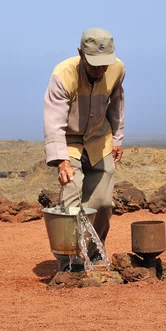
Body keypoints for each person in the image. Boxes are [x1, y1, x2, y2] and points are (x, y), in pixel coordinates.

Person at [43, 27, 125, 271]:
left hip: (99, 138)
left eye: (104, 64)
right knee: (71, 198)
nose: (100, 70)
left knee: (102, 201)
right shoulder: (63, 75)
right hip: (68, 141)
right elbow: (53, 122)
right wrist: (61, 161)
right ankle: (69, 261)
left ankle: (94, 253)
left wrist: (118, 138)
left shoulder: (117, 69)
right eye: (94, 64)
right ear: (80, 53)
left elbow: (117, 102)